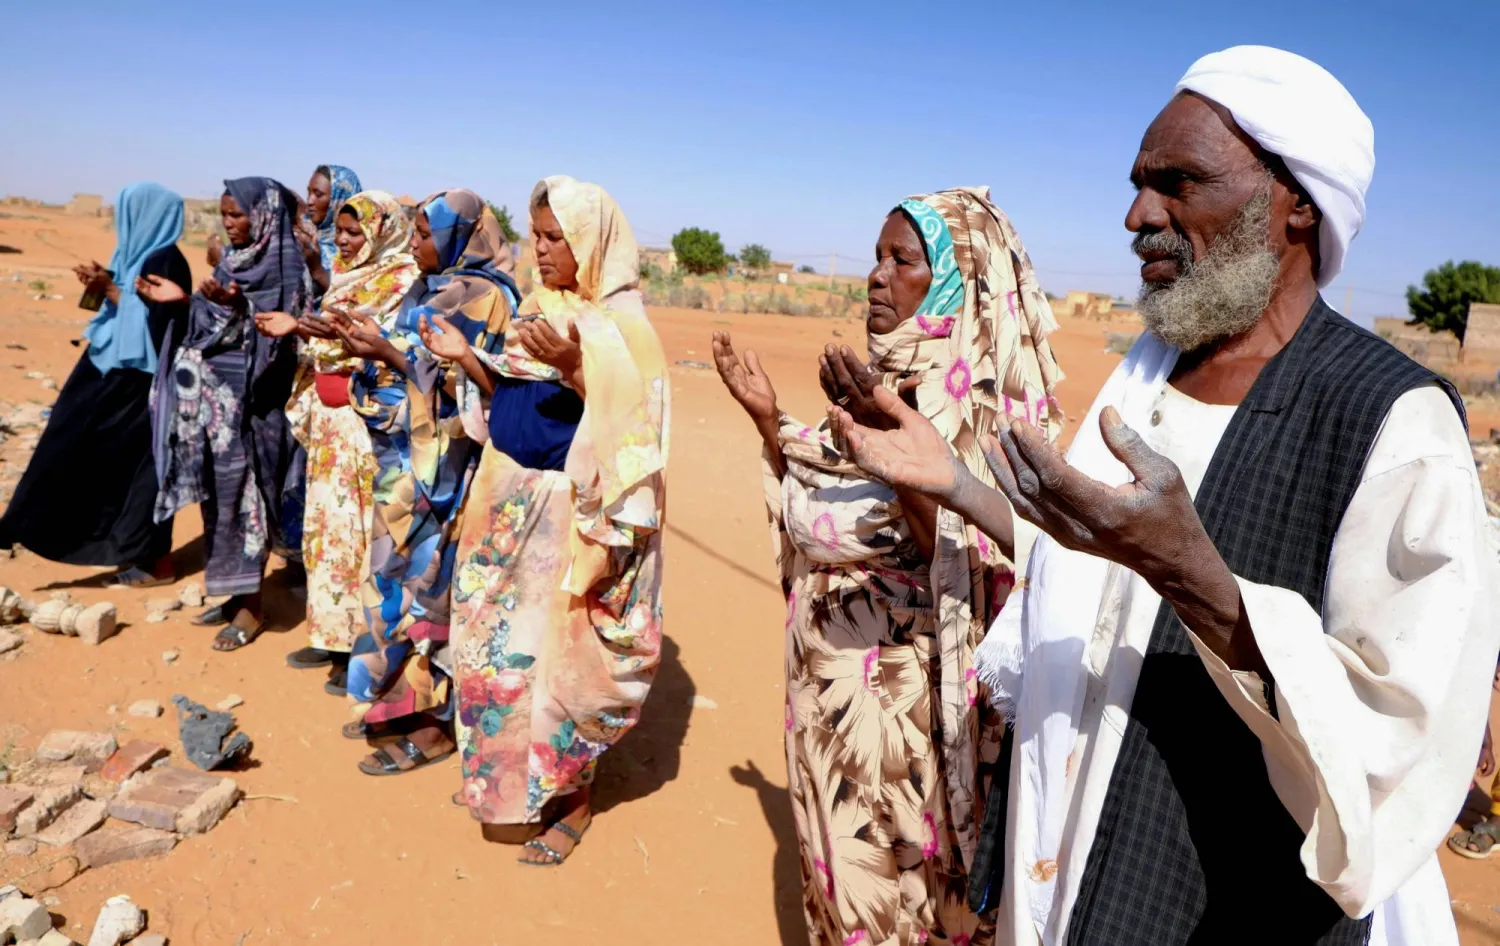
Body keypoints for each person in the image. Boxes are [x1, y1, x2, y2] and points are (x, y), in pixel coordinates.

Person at [828, 46, 1498, 946]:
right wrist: (948, 479)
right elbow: (1086, 577)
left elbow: (1400, 740)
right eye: (1140, 184)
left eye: (1178, 183)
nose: (1139, 215)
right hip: (1065, 855)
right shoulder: (1149, 371)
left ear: (1297, 202)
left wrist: (1193, 575)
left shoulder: (1395, 423)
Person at [715, 188, 1063, 946]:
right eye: (877, 257)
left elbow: (978, 570)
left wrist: (899, 462)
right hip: (827, 717)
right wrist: (770, 421)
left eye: (902, 260)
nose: (876, 276)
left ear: (957, 284)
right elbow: (823, 504)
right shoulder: (870, 390)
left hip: (903, 739)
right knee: (838, 896)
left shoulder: (981, 418)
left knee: (904, 911)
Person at [448, 176, 668, 865]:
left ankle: (570, 800)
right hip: (503, 503)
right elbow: (512, 402)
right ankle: (505, 771)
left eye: (556, 237)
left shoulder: (624, 328)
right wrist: (467, 360)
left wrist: (577, 367)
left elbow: (634, 437)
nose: (540, 249)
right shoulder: (539, 307)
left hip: (566, 520)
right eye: (536, 235)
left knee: (560, 666)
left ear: (591, 242)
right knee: (491, 652)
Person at [339, 189, 519, 774]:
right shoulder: (432, 288)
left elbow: (476, 388)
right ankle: (394, 701)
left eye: (424, 233)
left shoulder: (484, 296)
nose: (415, 244)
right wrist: (371, 348)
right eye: (414, 232)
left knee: (433, 593)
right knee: (393, 582)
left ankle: (434, 725)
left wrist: (388, 353)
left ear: (457, 235)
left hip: (450, 474)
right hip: (408, 468)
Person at [256, 190, 418, 678]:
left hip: (362, 427)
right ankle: (329, 635)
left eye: (354, 233)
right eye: (341, 232)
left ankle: (359, 647)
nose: (343, 241)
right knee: (324, 531)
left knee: (357, 534)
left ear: (382, 233)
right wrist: (305, 331)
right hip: (330, 428)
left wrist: (310, 331)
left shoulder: (401, 279)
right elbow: (330, 335)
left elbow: (378, 342)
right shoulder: (348, 277)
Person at [148, 177, 310, 650]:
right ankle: (232, 595)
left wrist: (242, 307)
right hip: (216, 416)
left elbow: (286, 342)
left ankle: (251, 609)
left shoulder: (285, 267)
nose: (229, 223)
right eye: (224, 215)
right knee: (218, 505)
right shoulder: (234, 262)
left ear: (263, 215)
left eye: (237, 214)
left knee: (247, 506)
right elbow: (210, 328)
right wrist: (185, 301)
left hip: (256, 414)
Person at [0, 183, 191, 582]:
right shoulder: (132, 253)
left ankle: (149, 558)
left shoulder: (165, 260)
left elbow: (160, 328)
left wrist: (111, 289)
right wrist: (99, 286)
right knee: (72, 449)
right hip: (108, 366)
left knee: (128, 467)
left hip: (135, 381)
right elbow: (113, 308)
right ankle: (28, 528)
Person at [297, 164, 362, 295]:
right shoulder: (304, 242)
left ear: (338, 199)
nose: (310, 201)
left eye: (318, 194)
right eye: (309, 193)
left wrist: (317, 270)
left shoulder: (360, 250)